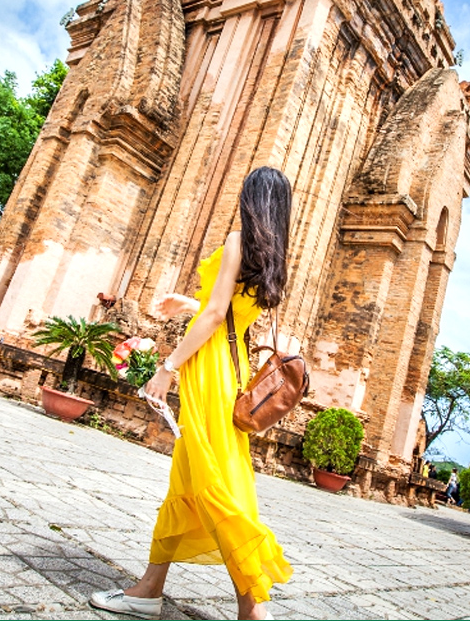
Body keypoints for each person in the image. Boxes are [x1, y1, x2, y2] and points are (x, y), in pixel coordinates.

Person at [89, 167, 293, 621]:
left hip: (211, 369)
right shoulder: (273, 256)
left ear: (250, 198)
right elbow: (234, 312)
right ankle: (149, 589)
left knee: (216, 481)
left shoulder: (241, 240)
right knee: (191, 475)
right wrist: (189, 304)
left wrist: (166, 367)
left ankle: (254, 608)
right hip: (232, 370)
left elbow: (218, 314)